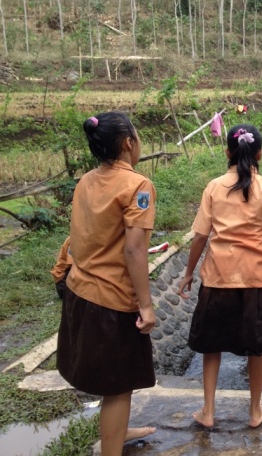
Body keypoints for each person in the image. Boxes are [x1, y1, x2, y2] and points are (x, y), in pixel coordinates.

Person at [177, 124, 262, 429]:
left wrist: (187, 274)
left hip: (217, 279)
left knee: (211, 346)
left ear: (227, 153)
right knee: (257, 346)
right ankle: (254, 410)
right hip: (260, 280)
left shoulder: (213, 187)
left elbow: (199, 236)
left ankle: (208, 412)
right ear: (260, 153)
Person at [57, 112, 157, 456]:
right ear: (129, 143)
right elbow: (134, 249)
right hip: (112, 300)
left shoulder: (86, 180)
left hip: (79, 291)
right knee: (119, 385)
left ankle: (119, 431)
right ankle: (111, 449)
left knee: (112, 376)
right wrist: (146, 304)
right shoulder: (138, 186)